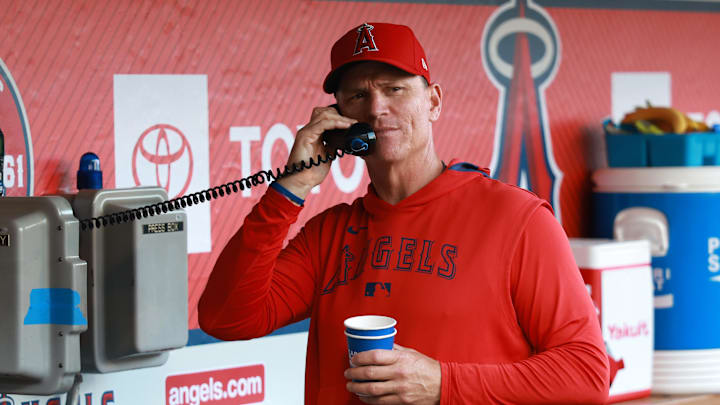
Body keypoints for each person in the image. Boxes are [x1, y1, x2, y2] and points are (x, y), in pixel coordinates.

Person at [198, 22, 610, 404]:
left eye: (395, 89)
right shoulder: (329, 234)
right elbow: (227, 318)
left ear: (433, 101)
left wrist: (444, 385)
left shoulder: (517, 218)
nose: (377, 108)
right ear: (338, 118)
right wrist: (293, 186)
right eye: (358, 96)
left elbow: (588, 373)